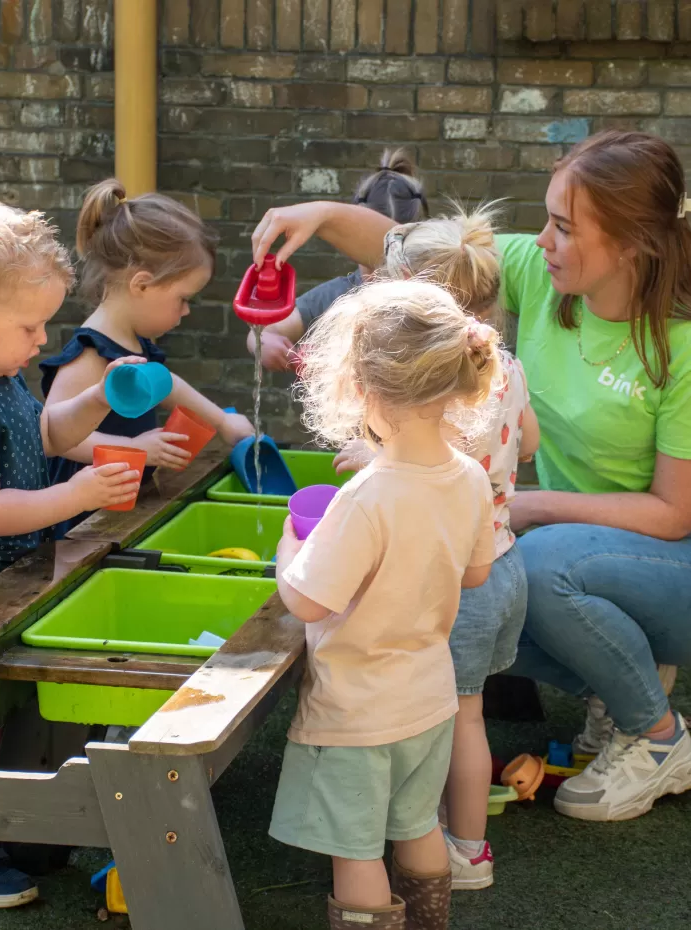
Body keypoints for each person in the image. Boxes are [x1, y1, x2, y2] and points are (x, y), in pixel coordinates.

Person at [249, 129, 691, 823]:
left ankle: (657, 736)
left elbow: (675, 513)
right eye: (548, 221)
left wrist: (526, 507)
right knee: (461, 598)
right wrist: (318, 215)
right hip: (584, 545)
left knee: (534, 564)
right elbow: (415, 247)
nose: (543, 240)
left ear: (632, 243)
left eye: (564, 227)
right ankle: (615, 684)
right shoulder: (545, 278)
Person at [0, 197, 143, 907]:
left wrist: (99, 398)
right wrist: (77, 496)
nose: (42, 341)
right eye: (30, 327)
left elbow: (43, 434)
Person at [271, 279, 501, 930]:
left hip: (357, 714)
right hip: (428, 701)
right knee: (417, 826)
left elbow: (308, 602)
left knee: (357, 852)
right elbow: (478, 572)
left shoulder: (366, 496)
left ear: (361, 385)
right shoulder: (470, 476)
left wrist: (289, 551)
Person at [332, 206, 540, 890]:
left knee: (459, 719)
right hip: (506, 567)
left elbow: (424, 469)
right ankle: (458, 836)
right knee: (469, 712)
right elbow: (529, 444)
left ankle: (467, 850)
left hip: (462, 583)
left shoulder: (438, 390)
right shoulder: (504, 365)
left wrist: (374, 455)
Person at [41, 179, 255, 535]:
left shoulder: (132, 341)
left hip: (121, 504)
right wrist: (133, 448)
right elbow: (55, 435)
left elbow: (167, 384)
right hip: (82, 516)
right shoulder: (90, 355)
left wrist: (222, 421)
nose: (186, 311)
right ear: (141, 284)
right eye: (183, 299)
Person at [248, 148, 429, 372]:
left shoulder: (437, 300)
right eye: (370, 260)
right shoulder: (335, 296)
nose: (381, 272)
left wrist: (324, 214)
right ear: (350, 244)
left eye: (393, 261)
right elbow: (263, 332)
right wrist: (265, 342)